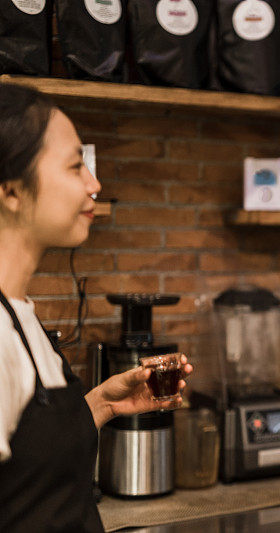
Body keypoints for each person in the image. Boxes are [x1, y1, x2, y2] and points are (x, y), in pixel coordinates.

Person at [0, 84, 193, 532]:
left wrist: (102, 405)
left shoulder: (19, 313)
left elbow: (27, 459)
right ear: (10, 190)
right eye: (75, 166)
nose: (95, 184)